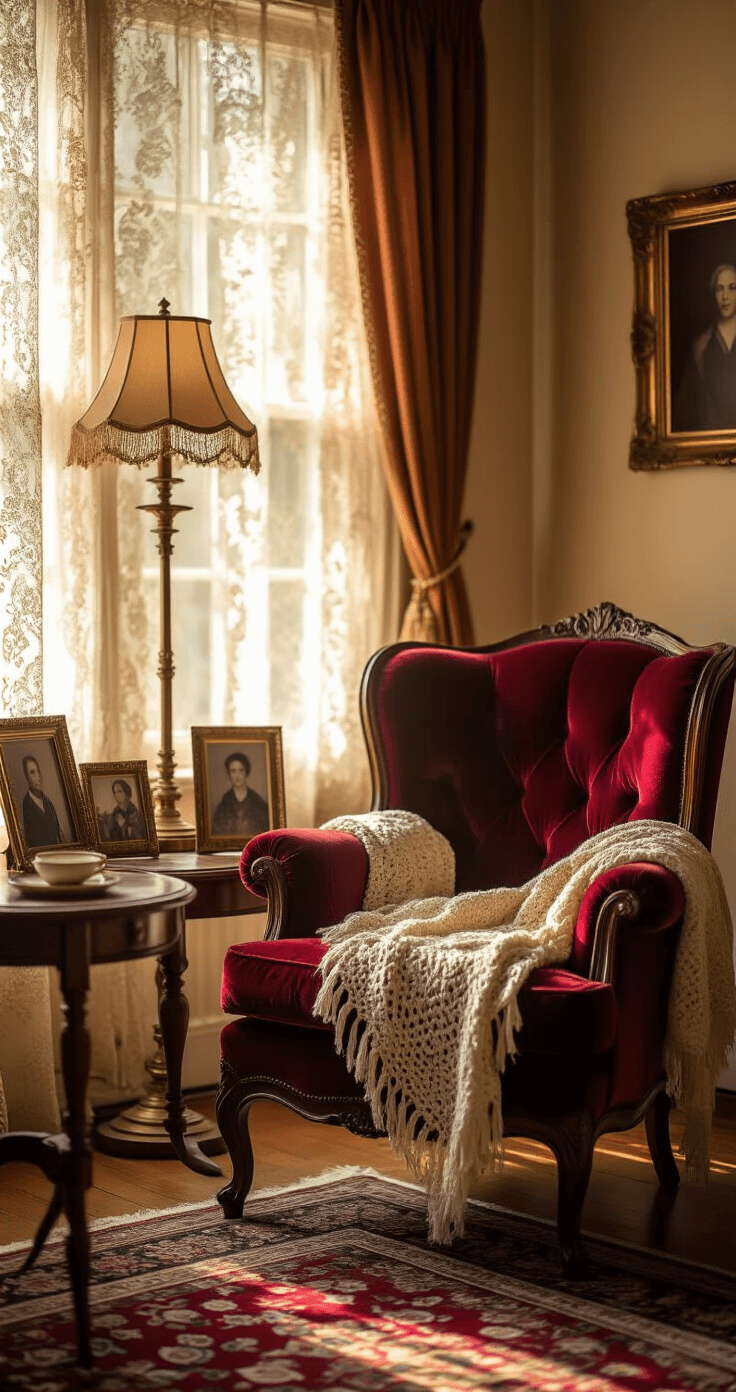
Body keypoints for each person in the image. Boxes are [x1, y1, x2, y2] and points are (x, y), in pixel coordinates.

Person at [673, 262, 736, 432]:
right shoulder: (701, 347)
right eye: (719, 289)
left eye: (732, 288)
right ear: (713, 293)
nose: (725, 297)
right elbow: (687, 407)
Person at [212, 751, 270, 840]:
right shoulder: (223, 805)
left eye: (241, 770)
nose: (237, 775)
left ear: (246, 772)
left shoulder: (258, 802)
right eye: (233, 771)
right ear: (229, 774)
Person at [21, 754, 62, 847]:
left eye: (38, 771)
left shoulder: (47, 802)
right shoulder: (27, 805)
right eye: (32, 772)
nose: (38, 777)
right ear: (26, 777)